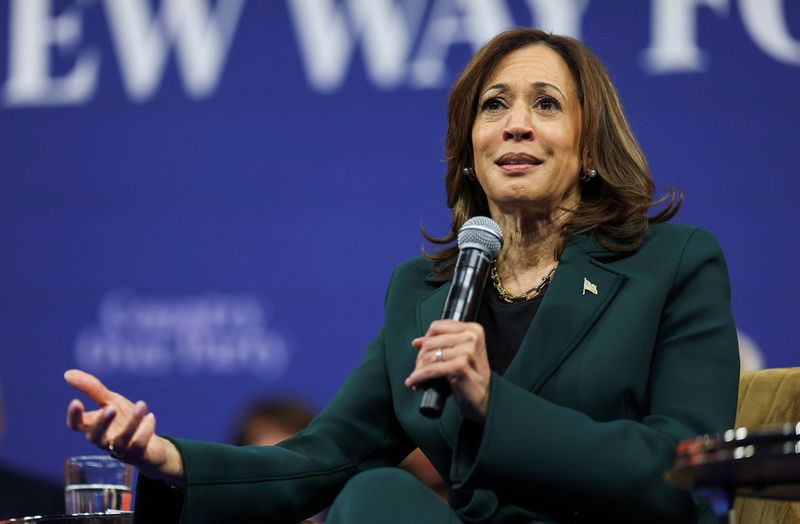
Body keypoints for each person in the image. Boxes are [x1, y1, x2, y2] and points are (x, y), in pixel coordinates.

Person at [64, 28, 739, 523]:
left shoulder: (669, 264)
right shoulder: (423, 294)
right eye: (494, 105)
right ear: (470, 149)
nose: (516, 126)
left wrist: (490, 402)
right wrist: (168, 458)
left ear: (589, 147)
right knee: (373, 493)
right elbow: (324, 456)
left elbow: (681, 468)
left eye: (547, 104)